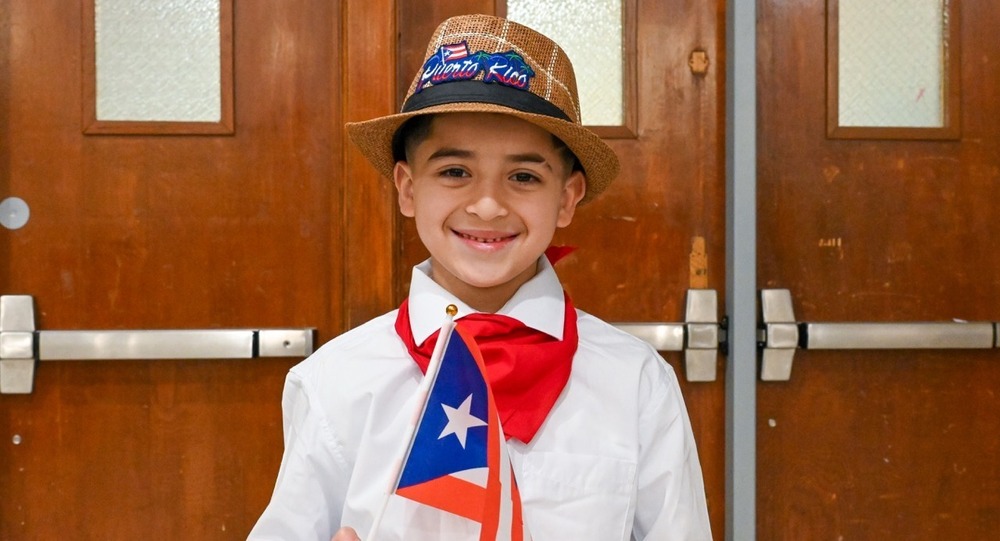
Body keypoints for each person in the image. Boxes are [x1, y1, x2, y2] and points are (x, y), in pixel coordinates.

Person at [249, 13, 712, 541]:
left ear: (566, 198)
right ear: (407, 188)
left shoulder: (635, 383)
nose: (488, 206)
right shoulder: (336, 382)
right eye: (454, 172)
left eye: (523, 176)